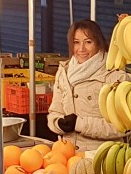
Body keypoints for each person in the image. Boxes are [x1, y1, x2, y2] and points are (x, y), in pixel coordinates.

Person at [49, 20, 124, 151]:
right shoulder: (64, 72)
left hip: (102, 155)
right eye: (76, 42)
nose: (81, 49)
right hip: (67, 153)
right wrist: (58, 123)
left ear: (98, 43)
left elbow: (124, 127)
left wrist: (80, 124)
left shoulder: (115, 76)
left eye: (88, 42)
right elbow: (55, 111)